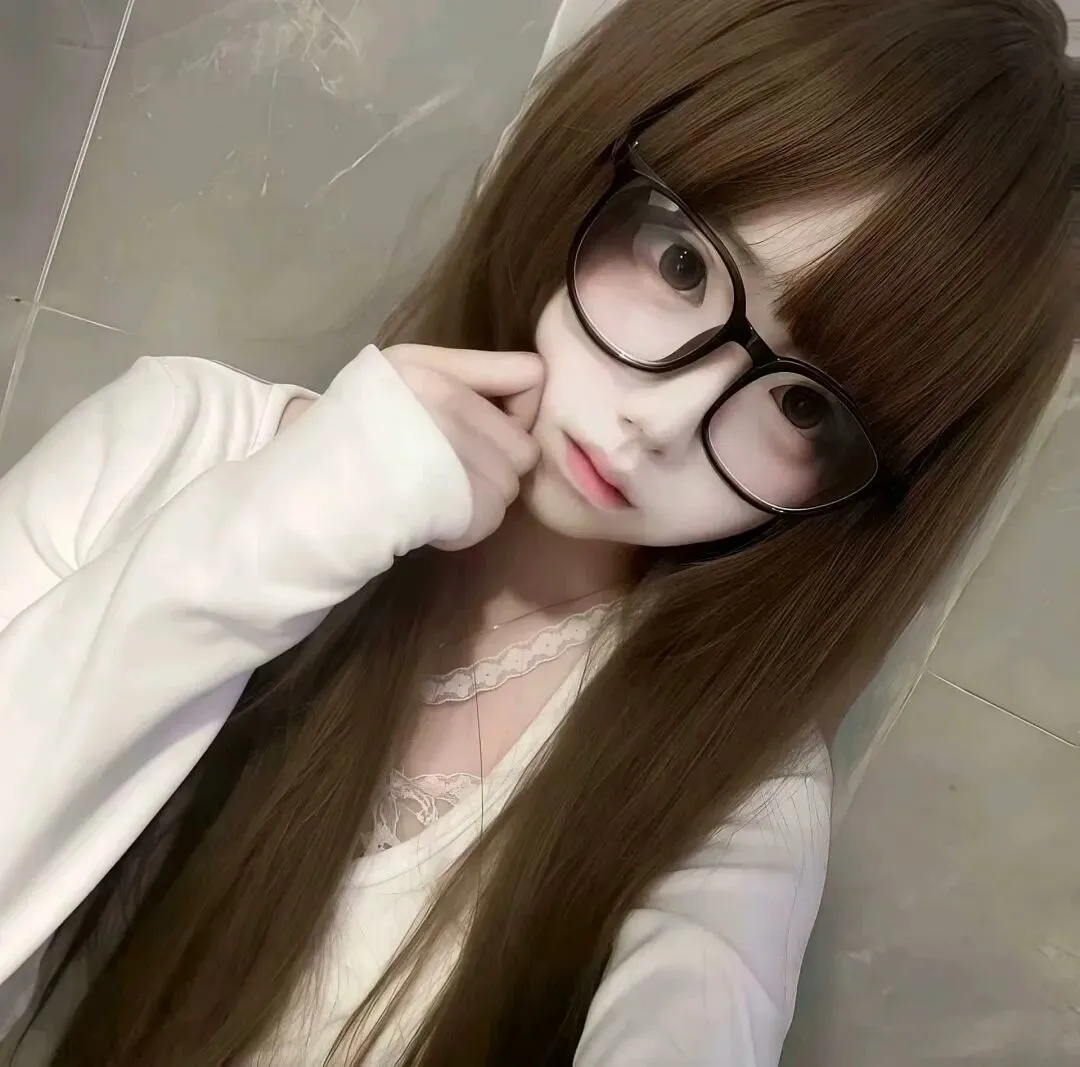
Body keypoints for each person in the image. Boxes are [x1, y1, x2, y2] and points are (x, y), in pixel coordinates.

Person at [0, 0, 1073, 1063]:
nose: (662, 422)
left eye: (802, 404)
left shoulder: (735, 794)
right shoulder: (178, 445)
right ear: (591, 163)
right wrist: (291, 523)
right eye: (685, 267)